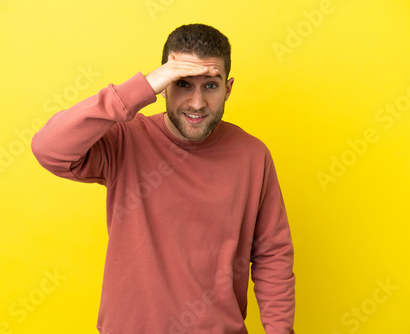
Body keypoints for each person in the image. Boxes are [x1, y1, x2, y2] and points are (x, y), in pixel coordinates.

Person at [32, 23, 295, 334]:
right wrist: (140, 88)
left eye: (210, 85)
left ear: (228, 88)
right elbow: (49, 148)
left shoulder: (253, 155)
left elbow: (272, 254)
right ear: (163, 86)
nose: (197, 103)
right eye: (183, 84)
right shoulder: (125, 141)